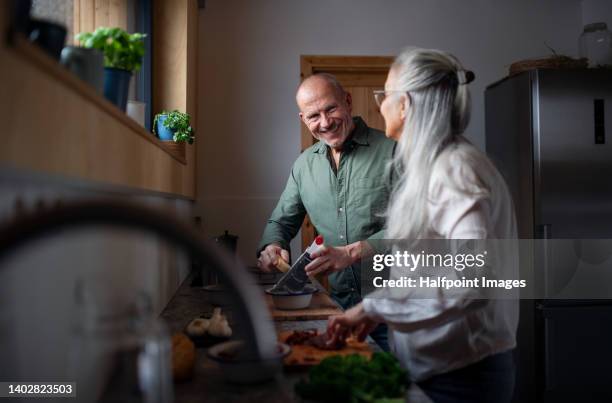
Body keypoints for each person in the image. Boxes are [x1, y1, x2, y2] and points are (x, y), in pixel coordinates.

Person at [326, 48, 519, 403]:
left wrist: (374, 307)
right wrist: (388, 309)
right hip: (443, 368)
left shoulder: (456, 169)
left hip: (463, 376)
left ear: (406, 104)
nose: (380, 105)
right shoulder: (436, 165)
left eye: (385, 95)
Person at [257, 73, 396, 350]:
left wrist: (353, 252)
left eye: (331, 109)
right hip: (339, 309)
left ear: (347, 101)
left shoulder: (394, 151)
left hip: (394, 311)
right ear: (302, 119)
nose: (325, 122)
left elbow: (420, 227)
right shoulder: (303, 166)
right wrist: (273, 245)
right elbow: (281, 221)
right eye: (313, 116)